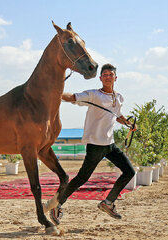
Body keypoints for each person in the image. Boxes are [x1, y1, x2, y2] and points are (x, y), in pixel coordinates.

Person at [50, 63, 138, 223]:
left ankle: (108, 202)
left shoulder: (118, 98)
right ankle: (57, 206)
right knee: (82, 178)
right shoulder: (93, 95)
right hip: (95, 145)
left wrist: (128, 123)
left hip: (110, 145)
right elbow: (73, 97)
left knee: (129, 172)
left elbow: (116, 115)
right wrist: (56, 93)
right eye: (104, 74)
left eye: (110, 74)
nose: (107, 77)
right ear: (100, 78)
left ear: (115, 78)